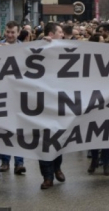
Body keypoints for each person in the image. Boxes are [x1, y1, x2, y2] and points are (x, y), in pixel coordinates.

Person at [38, 22, 66, 189]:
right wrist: (42, 41)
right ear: (51, 34)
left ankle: (57, 167)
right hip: (41, 103)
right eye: (60, 32)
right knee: (43, 141)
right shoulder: (40, 46)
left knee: (58, 138)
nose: (62, 35)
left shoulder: (65, 48)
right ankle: (47, 177)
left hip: (60, 102)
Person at [0, 21, 26, 174]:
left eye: (13, 32)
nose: (10, 35)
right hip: (3, 94)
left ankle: (19, 162)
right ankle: (5, 161)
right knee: (5, 129)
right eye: (8, 32)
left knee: (19, 130)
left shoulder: (25, 48)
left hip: (19, 94)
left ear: (18, 33)